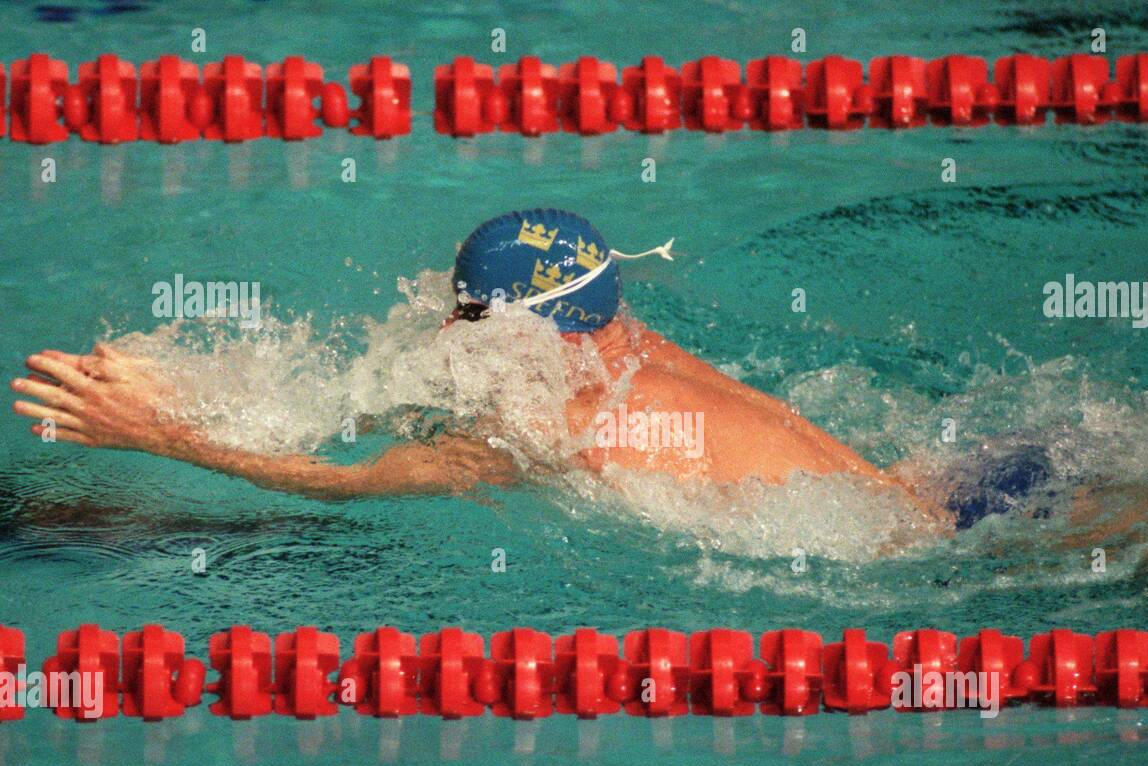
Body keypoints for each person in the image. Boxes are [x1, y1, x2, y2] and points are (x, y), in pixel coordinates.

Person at [10, 209, 1038, 534]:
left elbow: (341, 483)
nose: (448, 327)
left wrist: (153, 434)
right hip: (976, 480)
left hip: (936, 558)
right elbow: (365, 393)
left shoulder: (571, 429)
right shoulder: (622, 338)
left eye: (468, 315)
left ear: (528, 331)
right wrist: (189, 377)